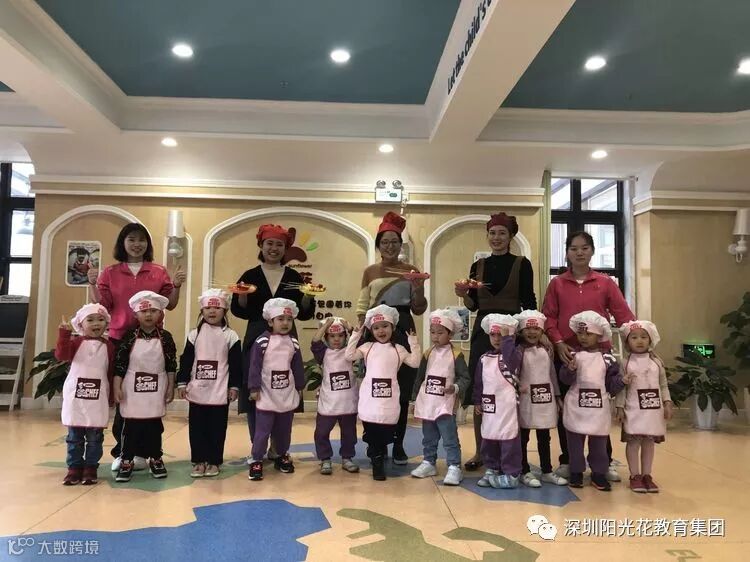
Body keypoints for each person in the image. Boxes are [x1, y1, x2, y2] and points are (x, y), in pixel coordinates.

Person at [87, 222, 185, 471]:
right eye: (131, 239)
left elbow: (170, 304)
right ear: (123, 243)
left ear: (147, 244)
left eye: (141, 239)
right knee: (125, 398)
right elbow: (104, 304)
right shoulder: (110, 272)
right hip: (120, 339)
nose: (136, 244)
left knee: (150, 395)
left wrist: (176, 286)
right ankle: (123, 452)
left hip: (153, 341)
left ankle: (146, 452)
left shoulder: (158, 271)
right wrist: (92, 283)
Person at [542, 230, 634, 482]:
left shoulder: (605, 283)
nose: (579, 253)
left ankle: (603, 462)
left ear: (592, 251)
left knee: (599, 407)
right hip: (567, 354)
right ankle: (569, 460)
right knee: (568, 409)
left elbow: (624, 314)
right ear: (567, 252)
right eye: (574, 248)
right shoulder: (557, 283)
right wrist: (559, 343)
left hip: (599, 354)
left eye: (584, 248)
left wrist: (637, 337)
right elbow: (548, 316)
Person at [455, 212, 536, 471]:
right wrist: (463, 294)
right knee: (483, 389)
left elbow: (529, 301)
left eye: (502, 233)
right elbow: (472, 305)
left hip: (512, 331)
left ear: (511, 236)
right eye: (492, 233)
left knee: (512, 389)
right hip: (484, 332)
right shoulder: (477, 266)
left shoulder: (522, 264)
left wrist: (534, 332)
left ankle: (515, 451)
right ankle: (481, 451)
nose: (496, 237)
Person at [230, 224, 315, 457]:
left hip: (287, 340)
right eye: (269, 243)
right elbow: (240, 310)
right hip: (256, 335)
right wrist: (243, 296)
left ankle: (279, 448)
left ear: (286, 248)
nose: (274, 248)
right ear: (261, 245)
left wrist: (308, 296)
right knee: (255, 388)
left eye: (279, 244)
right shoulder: (249, 276)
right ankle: (257, 444)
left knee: (284, 385)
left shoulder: (294, 277)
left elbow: (304, 313)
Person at [356, 212, 427, 465]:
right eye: (384, 242)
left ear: (400, 244)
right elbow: (363, 305)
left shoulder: (411, 271)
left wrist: (418, 289)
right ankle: (375, 443)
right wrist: (360, 331)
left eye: (394, 241)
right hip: (374, 330)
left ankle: (397, 444)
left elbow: (419, 308)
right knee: (376, 386)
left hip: (403, 327)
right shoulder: (370, 271)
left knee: (402, 390)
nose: (389, 246)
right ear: (378, 245)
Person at [346, 305, 421, 481]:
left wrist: (413, 342)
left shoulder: (399, 349)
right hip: (370, 399)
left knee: (386, 432)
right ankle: (377, 461)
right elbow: (349, 356)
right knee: (371, 431)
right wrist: (356, 335)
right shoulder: (367, 347)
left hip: (389, 400)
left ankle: (379, 452)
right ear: (371, 330)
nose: (381, 331)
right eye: (376, 328)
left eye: (385, 326)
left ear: (393, 327)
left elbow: (415, 362)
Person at [177, 289, 242, 478]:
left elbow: (236, 364)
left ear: (225, 310)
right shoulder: (194, 335)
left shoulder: (231, 336)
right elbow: (186, 360)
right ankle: (198, 460)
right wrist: (182, 382)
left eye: (217, 308)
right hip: (197, 389)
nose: (212, 311)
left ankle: (214, 461)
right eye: (208, 308)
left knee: (217, 428)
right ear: (202, 310)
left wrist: (234, 386)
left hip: (220, 390)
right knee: (196, 428)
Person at [113, 291, 177, 482]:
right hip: (131, 390)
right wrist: (117, 387)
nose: (148, 315)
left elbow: (171, 365)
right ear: (136, 314)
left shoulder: (165, 337)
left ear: (160, 314)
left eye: (153, 311)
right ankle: (126, 460)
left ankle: (156, 458)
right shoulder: (129, 337)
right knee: (130, 428)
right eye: (144, 311)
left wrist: (170, 387)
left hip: (156, 389)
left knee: (154, 427)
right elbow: (120, 364)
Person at [559, 311, 624, 492]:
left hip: (598, 409)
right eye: (580, 333)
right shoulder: (572, 355)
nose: (583, 337)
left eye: (588, 334)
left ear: (599, 335)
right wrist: (570, 370)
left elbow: (611, 385)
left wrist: (622, 382)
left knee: (598, 444)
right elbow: (564, 379)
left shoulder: (608, 358)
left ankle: (599, 473)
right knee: (574, 444)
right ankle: (576, 472)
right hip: (576, 407)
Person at [504, 310, 568, 488]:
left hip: (545, 400)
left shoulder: (547, 349)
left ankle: (546, 470)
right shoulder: (518, 350)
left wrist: (557, 396)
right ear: (521, 331)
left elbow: (552, 374)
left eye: (536, 329)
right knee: (523, 437)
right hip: (526, 400)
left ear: (542, 331)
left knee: (544, 436)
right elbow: (512, 369)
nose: (532, 332)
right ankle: (524, 470)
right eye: (528, 329)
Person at [55, 304, 115, 486]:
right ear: (81, 324)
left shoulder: (109, 346)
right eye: (90, 320)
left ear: (106, 323)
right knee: (74, 436)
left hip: (98, 398)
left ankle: (91, 467)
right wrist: (64, 334)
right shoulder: (75, 343)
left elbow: (111, 372)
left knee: (95, 437)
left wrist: (111, 395)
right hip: (76, 397)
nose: (96, 323)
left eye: (100, 319)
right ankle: (74, 468)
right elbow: (62, 355)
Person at [247, 298, 305, 481]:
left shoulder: (293, 342)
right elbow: (254, 366)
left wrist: (300, 386)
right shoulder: (262, 341)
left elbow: (297, 366)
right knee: (262, 431)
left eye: (289, 319)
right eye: (280, 319)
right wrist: (254, 388)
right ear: (270, 321)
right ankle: (257, 458)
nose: (285, 323)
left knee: (284, 430)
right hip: (266, 394)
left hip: (286, 394)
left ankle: (281, 454)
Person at [410, 309, 470, 486]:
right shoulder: (428, 353)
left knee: (449, 437)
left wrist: (455, 387)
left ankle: (454, 466)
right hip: (428, 402)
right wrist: (414, 399)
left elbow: (465, 377)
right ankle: (429, 462)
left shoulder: (456, 354)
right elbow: (419, 377)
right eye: (433, 332)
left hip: (446, 404)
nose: (435, 336)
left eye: (440, 333)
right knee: (428, 436)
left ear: (450, 334)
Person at [615, 320, 673, 493]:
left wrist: (667, 402)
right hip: (633, 410)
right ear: (627, 342)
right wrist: (620, 407)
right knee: (633, 442)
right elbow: (622, 389)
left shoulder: (657, 363)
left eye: (643, 337)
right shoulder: (625, 363)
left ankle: (647, 474)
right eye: (634, 337)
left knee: (649, 442)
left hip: (653, 411)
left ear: (650, 339)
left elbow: (663, 385)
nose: (639, 341)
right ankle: (635, 476)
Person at [473, 314, 523, 489]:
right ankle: (492, 468)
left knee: (509, 439)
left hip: (508, 407)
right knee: (489, 437)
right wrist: (477, 401)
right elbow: (479, 382)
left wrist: (508, 340)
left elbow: (511, 363)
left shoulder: (515, 355)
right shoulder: (484, 358)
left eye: (501, 335)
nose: (496, 339)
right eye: (493, 335)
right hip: (490, 407)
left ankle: (511, 473)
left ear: (511, 338)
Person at [311, 317, 360, 475]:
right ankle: (325, 459)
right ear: (326, 338)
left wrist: (349, 327)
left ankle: (347, 458)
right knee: (321, 432)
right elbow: (315, 343)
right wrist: (325, 325)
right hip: (329, 403)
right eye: (332, 336)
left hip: (348, 403)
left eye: (340, 335)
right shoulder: (323, 354)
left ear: (346, 337)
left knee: (349, 434)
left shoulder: (350, 352)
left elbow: (360, 341)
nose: (336, 339)